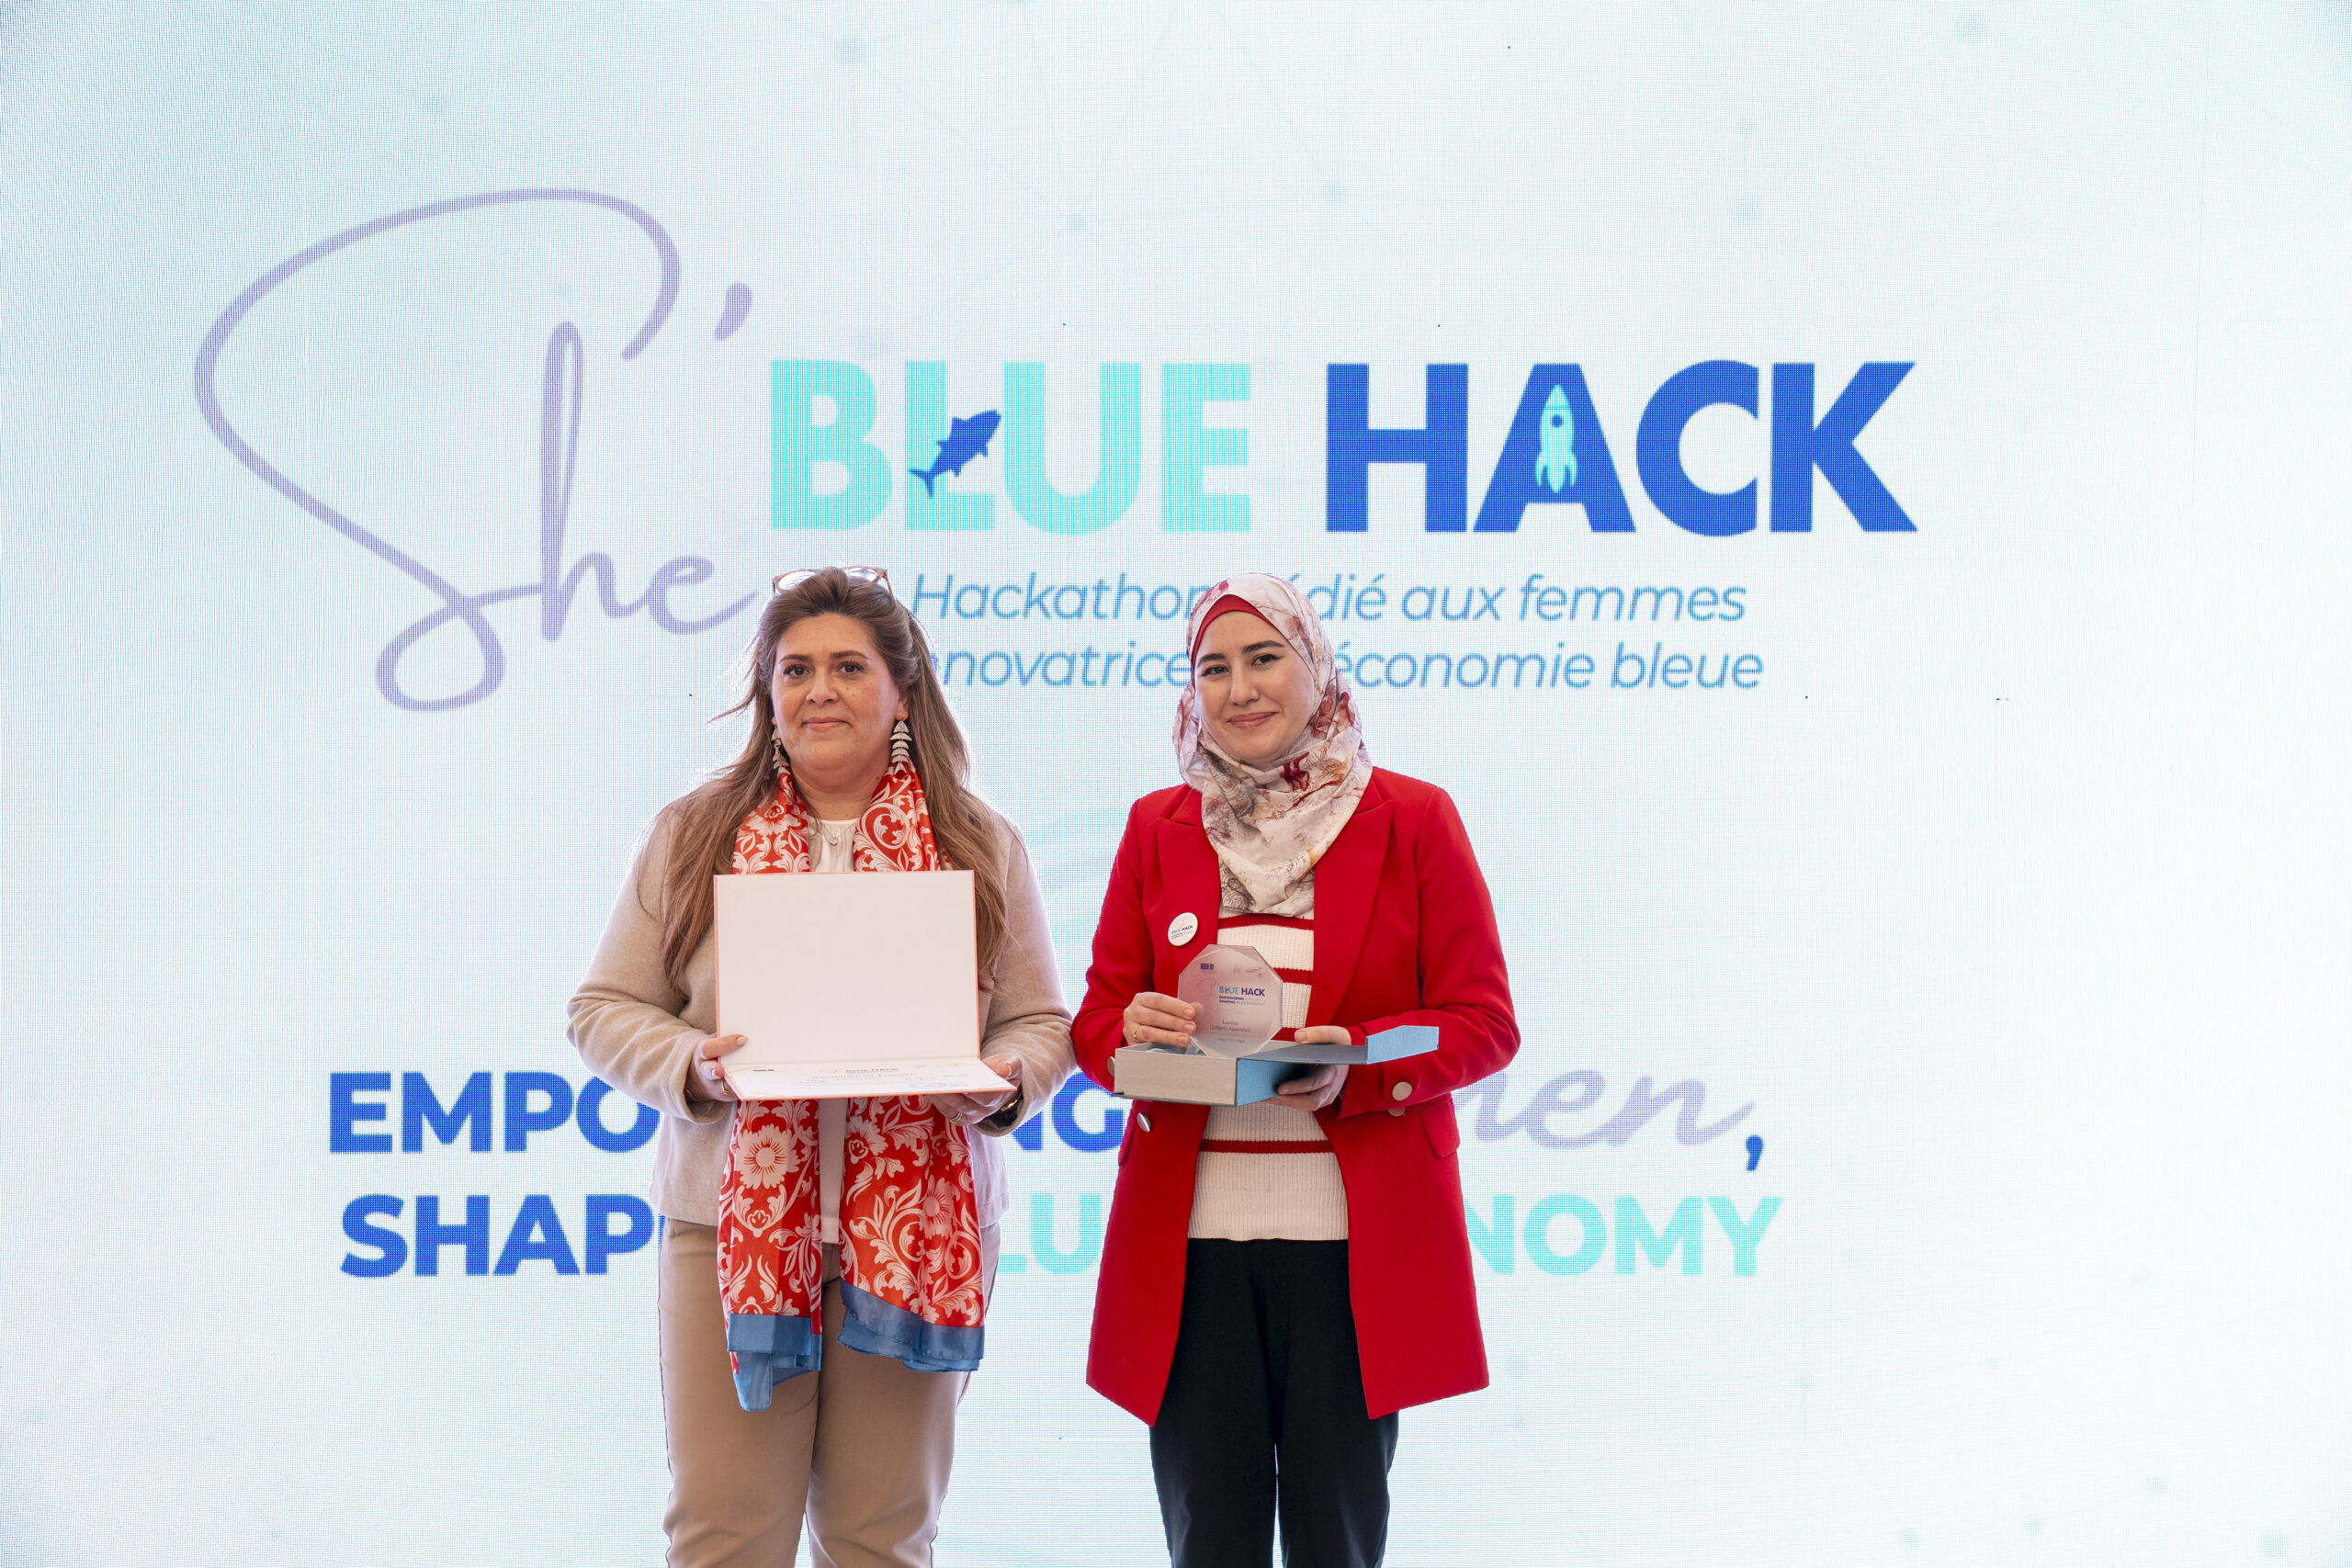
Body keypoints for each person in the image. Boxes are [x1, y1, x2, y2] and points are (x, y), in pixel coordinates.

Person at [568, 566, 1073, 1568]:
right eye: (794, 669)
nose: (819, 690)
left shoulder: (978, 842)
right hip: (729, 1234)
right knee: (724, 1537)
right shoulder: (693, 835)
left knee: (879, 1540)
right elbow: (602, 1010)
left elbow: (1040, 1022)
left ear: (902, 691)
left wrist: (1002, 1078)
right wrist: (692, 1064)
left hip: (922, 1238)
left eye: (848, 666)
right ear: (767, 694)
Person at [1074, 573, 1519, 1568]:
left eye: (1264, 657)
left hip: (1353, 1256)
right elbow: (1098, 1024)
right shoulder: (1157, 825)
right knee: (1208, 1541)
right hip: (1190, 1252)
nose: (1240, 689)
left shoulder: (1412, 817)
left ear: (1316, 668)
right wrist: (1128, 1029)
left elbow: (1481, 1023)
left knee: (1337, 1541)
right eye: (1213, 667)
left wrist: (1358, 1060)